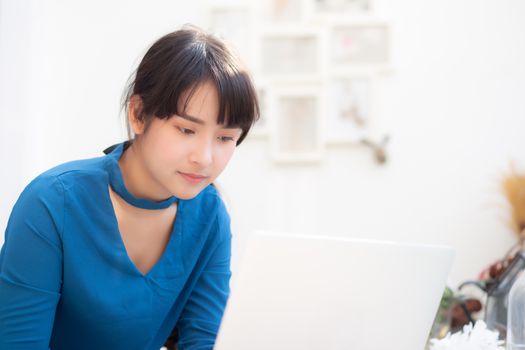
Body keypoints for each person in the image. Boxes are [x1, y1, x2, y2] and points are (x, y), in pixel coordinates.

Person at [0, 25, 259, 350]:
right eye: (185, 130)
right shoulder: (52, 203)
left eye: (225, 138)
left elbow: (204, 341)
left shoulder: (210, 215)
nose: (204, 159)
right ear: (138, 114)